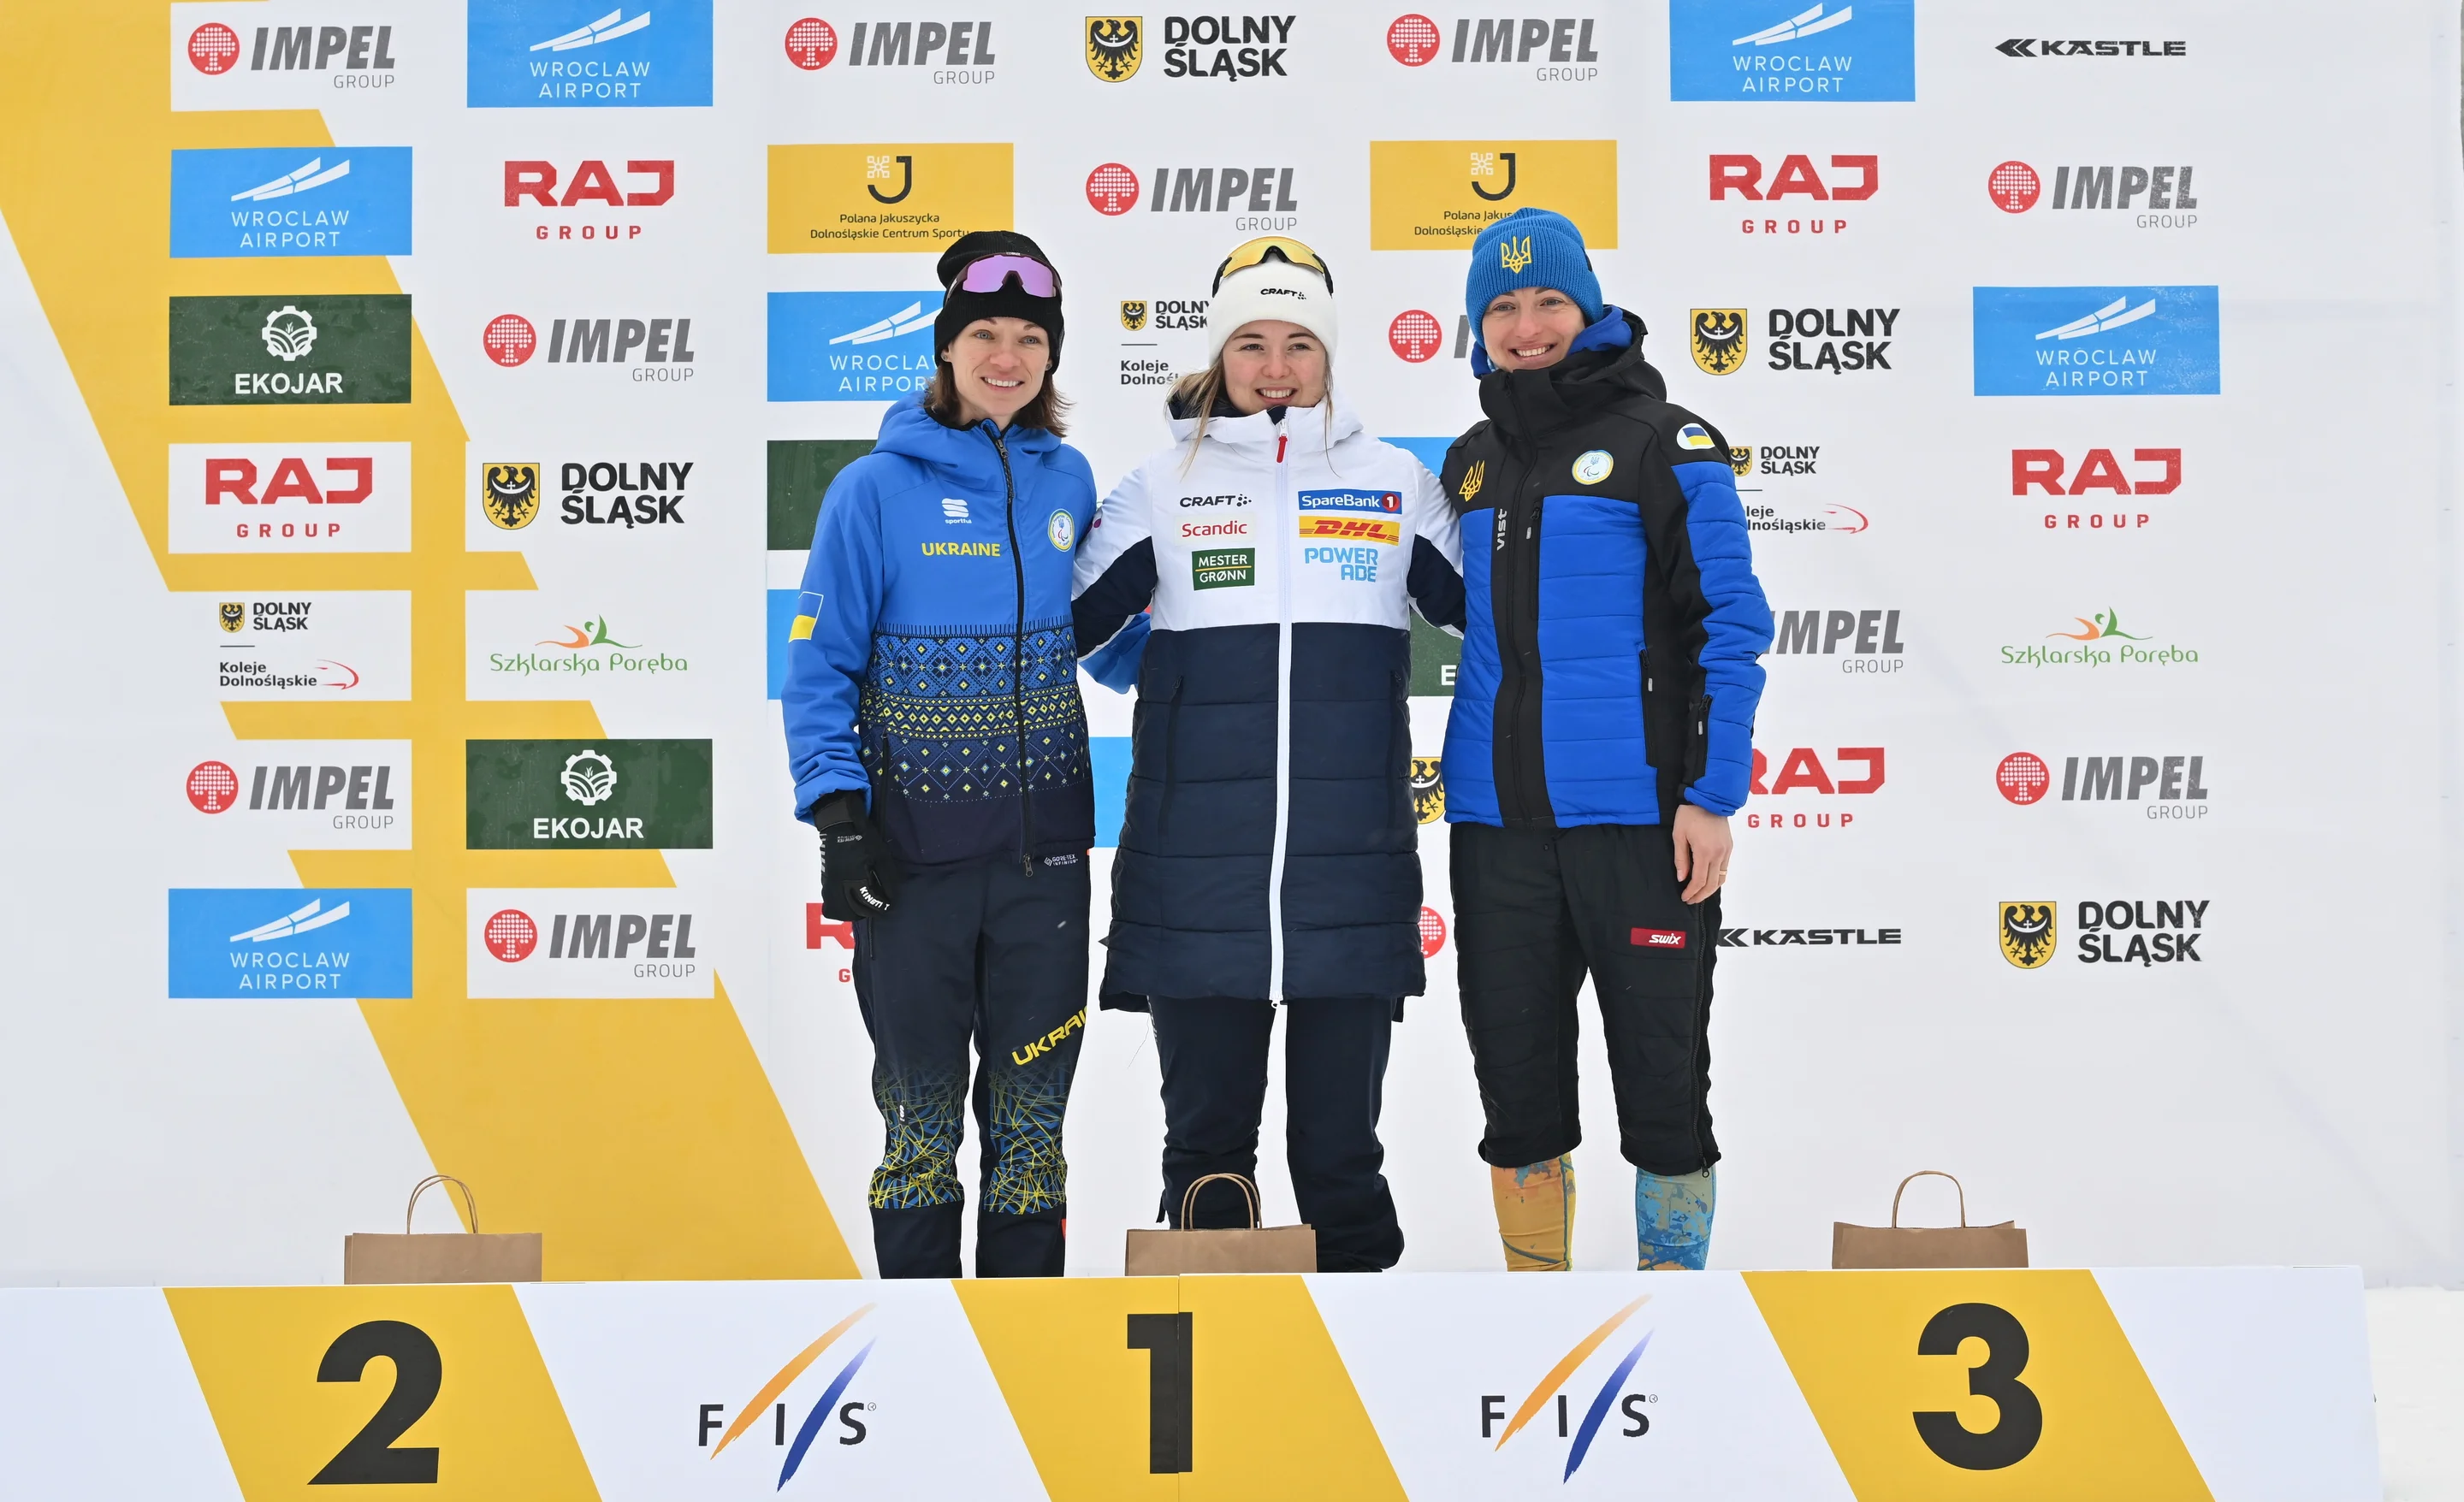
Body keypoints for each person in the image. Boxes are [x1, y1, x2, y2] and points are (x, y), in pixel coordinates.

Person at [1073, 237, 1465, 1272]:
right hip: (1197, 874)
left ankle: (1366, 1399)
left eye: (1299, 343)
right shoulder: (1161, 487)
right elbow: (1057, 627)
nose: (1276, 367)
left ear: (1331, 356)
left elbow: (1501, 617)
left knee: (1341, 1156)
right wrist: (1154, 672)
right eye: (1251, 342)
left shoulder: (1395, 484)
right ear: (1221, 353)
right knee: (1207, 1162)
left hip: (1350, 873)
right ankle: (1227, 1408)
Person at [1439, 208, 1773, 1273]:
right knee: (1519, 1101)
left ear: (1590, 310)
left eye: (1549, 302)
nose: (1527, 326)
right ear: (1476, 326)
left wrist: (1712, 795)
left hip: (1640, 829)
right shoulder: (1472, 463)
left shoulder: (1666, 442)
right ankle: (1540, 1316)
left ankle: (1669, 1321)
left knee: (1665, 1095)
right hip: (1499, 833)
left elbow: (1731, 625)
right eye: (1502, 306)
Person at [781, 231, 1098, 1279]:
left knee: (1033, 1132)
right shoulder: (873, 490)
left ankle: (1027, 1362)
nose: (1005, 358)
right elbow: (819, 665)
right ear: (945, 349)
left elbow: (1110, 625)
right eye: (982, 336)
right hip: (909, 863)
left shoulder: (1070, 481)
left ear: (1050, 356)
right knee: (919, 1125)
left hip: (1045, 861)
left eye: (1027, 339)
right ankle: (920, 1363)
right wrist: (838, 816)